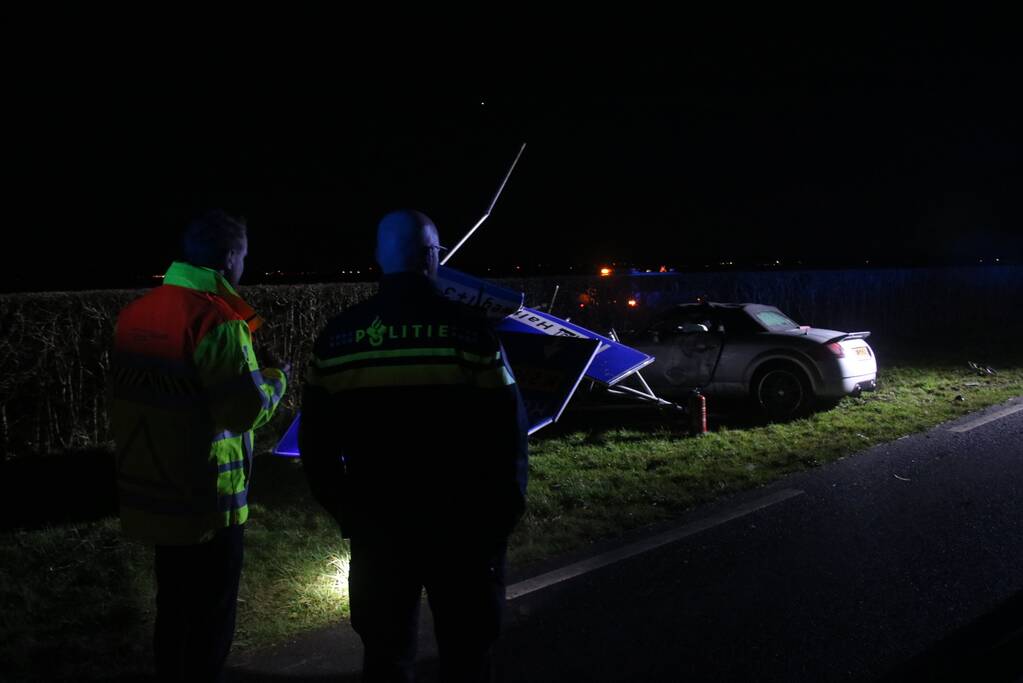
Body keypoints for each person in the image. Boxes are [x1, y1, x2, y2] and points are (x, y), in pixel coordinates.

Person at [300, 209, 528, 682]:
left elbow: (316, 445)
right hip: (464, 530)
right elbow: (508, 434)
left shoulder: (338, 338)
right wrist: (500, 518)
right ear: (431, 257)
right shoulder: (471, 333)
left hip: (378, 529)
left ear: (379, 258)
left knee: (386, 658)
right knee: (467, 657)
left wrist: (349, 512)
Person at [109, 209, 288, 682]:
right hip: (208, 501)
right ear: (229, 257)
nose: (244, 265)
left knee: (172, 610)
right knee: (210, 620)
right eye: (244, 256)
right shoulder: (218, 321)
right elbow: (243, 411)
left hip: (152, 492)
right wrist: (277, 378)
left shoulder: (136, 314)